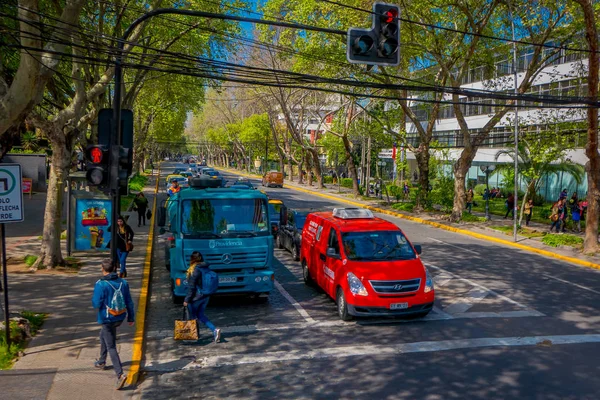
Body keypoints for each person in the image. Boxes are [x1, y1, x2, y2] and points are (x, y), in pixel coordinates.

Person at [92, 259, 135, 390]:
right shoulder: (123, 282)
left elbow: (96, 303)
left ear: (103, 269)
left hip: (107, 318)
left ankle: (120, 374)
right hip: (120, 316)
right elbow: (129, 301)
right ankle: (101, 361)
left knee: (111, 346)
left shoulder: (101, 284)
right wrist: (131, 317)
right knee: (103, 336)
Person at [183, 252, 221, 343]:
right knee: (200, 315)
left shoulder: (194, 270)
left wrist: (186, 300)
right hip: (205, 296)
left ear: (192, 259)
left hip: (197, 297)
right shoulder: (205, 268)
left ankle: (192, 336)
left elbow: (191, 287)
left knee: (192, 316)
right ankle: (214, 330)